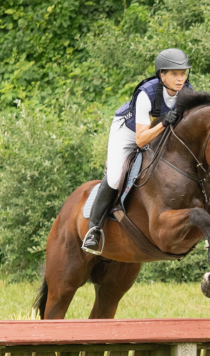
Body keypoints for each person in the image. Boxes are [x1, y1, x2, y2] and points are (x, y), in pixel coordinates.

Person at [81, 48, 193, 254]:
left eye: (183, 73)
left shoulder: (187, 92)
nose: (180, 79)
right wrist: (164, 125)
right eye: (175, 74)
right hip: (128, 132)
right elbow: (140, 140)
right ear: (162, 75)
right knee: (115, 177)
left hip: (158, 134)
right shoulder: (146, 94)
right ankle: (94, 230)